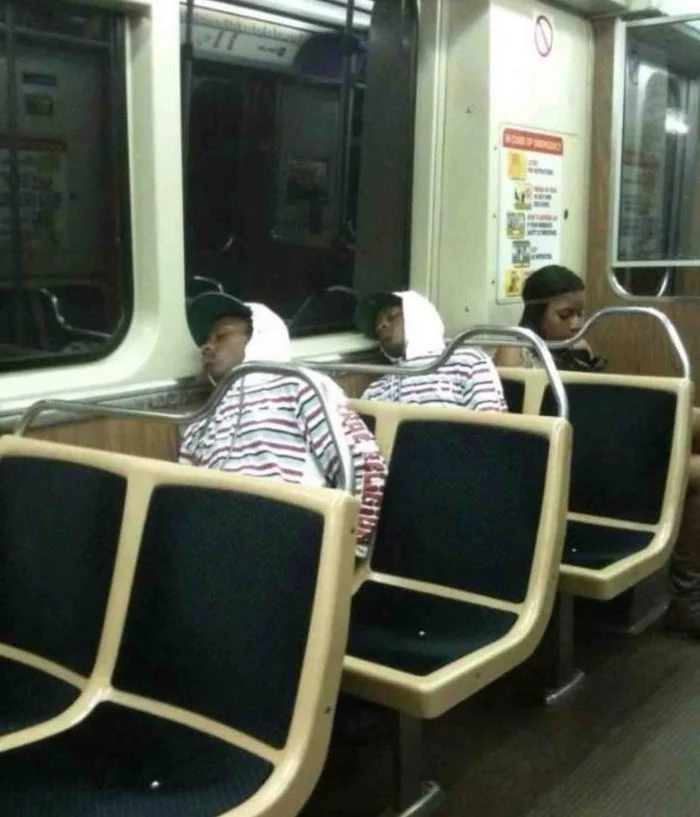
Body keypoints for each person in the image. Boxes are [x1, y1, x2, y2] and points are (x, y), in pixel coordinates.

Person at [179, 291, 387, 557]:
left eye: (221, 336)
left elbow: (366, 465)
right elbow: (184, 496)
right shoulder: (202, 419)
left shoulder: (299, 385)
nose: (207, 347)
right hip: (218, 542)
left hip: (286, 536)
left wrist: (347, 552)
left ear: (258, 338)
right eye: (205, 341)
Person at [355, 290, 507, 410]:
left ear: (418, 316)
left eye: (391, 317)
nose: (381, 326)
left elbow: (491, 425)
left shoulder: (468, 363)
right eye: (378, 326)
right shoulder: (377, 390)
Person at [495, 265, 606, 371]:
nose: (576, 325)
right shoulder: (514, 351)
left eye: (580, 314)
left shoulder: (579, 347)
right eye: (565, 315)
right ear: (537, 313)